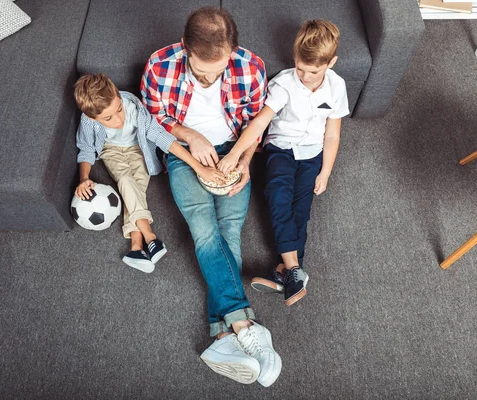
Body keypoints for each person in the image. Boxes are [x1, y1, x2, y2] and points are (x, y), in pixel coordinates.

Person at [141, 6, 281, 387]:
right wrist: (191, 138)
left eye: (219, 70)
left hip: (235, 151)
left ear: (232, 49)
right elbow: (155, 123)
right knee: (204, 231)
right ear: (185, 46)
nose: (211, 78)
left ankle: (222, 337)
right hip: (185, 155)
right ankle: (244, 324)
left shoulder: (250, 66)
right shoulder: (159, 66)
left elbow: (256, 123)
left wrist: (246, 160)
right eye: (203, 71)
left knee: (231, 228)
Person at [218, 20, 349, 306]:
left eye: (313, 71)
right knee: (278, 196)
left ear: (331, 63)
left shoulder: (337, 87)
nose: (305, 76)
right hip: (280, 148)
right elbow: (259, 123)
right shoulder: (284, 83)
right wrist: (234, 154)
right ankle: (293, 270)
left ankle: (285, 271)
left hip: (312, 154)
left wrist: (325, 171)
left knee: (301, 209)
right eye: (300, 68)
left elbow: (333, 133)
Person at [74, 73, 224, 273]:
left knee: (134, 188)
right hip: (111, 151)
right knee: (126, 181)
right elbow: (85, 148)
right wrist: (84, 178)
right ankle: (150, 237)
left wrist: (199, 168)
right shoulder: (88, 120)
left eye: (119, 109)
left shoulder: (134, 108)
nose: (119, 119)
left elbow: (162, 137)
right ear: (92, 117)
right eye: (108, 118)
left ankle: (136, 248)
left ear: (119, 96)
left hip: (139, 150)